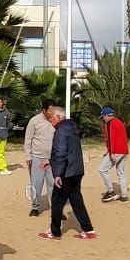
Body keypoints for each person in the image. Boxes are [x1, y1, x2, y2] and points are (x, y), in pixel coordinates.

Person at [41, 103, 95, 240]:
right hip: (77, 170)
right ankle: (88, 230)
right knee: (76, 200)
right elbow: (69, 151)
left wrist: (57, 174)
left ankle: (54, 232)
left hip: (68, 172)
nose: (50, 119)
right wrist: (51, 161)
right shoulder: (71, 128)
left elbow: (61, 152)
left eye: (52, 117)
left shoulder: (60, 131)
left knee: (57, 200)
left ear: (59, 117)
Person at [22, 95, 54, 218]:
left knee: (53, 184)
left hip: (52, 159)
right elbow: (28, 140)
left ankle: (55, 208)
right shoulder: (34, 121)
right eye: (49, 110)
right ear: (44, 110)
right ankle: (35, 206)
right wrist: (28, 156)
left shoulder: (56, 120)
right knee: (37, 183)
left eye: (53, 110)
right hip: (36, 157)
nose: (51, 113)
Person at [98, 106, 130, 204]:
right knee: (121, 173)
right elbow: (121, 137)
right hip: (124, 151)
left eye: (103, 116)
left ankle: (111, 191)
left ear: (107, 115)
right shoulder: (119, 122)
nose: (103, 119)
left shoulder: (110, 123)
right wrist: (109, 151)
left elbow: (112, 139)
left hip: (116, 151)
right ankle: (124, 196)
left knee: (102, 169)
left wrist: (112, 153)